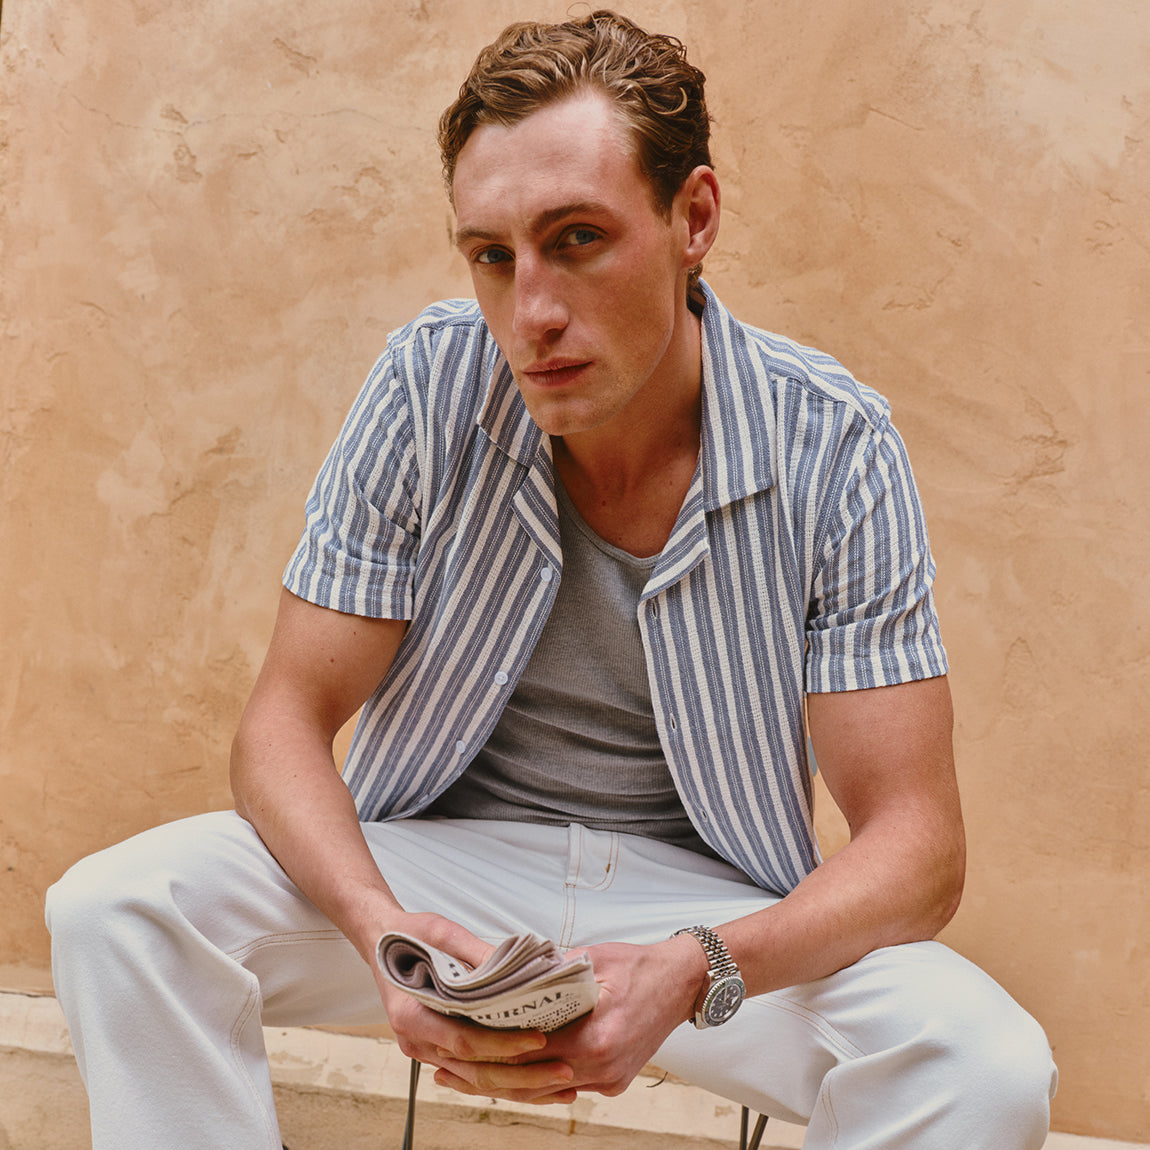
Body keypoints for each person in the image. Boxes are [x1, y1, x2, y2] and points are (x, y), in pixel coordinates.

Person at [46, 10, 1057, 1148]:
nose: (530, 312)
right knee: (116, 908)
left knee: (984, 1061)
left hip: (709, 912)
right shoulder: (428, 386)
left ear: (695, 219)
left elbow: (917, 850)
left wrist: (695, 965)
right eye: (492, 254)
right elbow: (283, 720)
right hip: (440, 877)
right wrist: (385, 930)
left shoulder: (833, 445)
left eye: (577, 238)